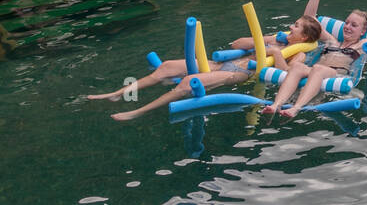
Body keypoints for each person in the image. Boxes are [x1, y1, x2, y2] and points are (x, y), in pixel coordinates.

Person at [89, 9, 323, 121]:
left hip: (238, 74)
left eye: (296, 26)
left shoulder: (299, 55)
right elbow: (237, 43)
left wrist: (275, 54)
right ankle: (117, 93)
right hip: (224, 63)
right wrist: (269, 40)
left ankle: (137, 112)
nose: (291, 27)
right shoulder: (277, 38)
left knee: (188, 83)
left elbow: (284, 75)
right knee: (168, 66)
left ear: (303, 38)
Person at [267, 0, 367, 119]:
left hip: (336, 74)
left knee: (317, 68)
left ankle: (296, 108)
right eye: (347, 22)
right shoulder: (332, 41)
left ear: (363, 31)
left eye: (354, 25)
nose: (347, 27)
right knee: (298, 66)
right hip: (314, 71)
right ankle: (275, 105)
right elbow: (309, 20)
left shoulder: (363, 44)